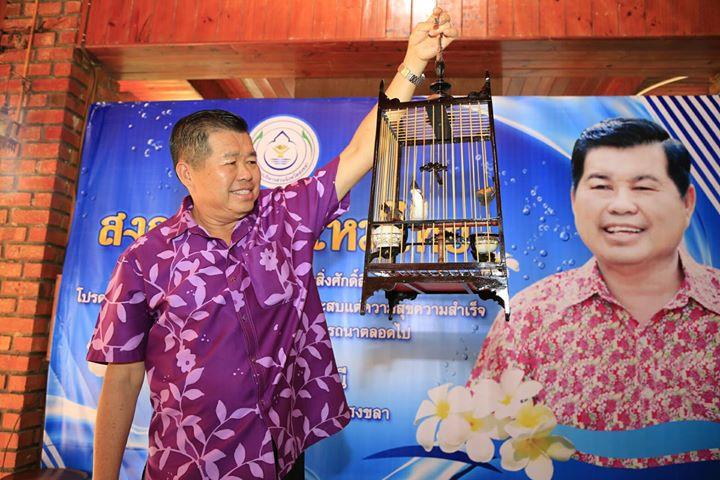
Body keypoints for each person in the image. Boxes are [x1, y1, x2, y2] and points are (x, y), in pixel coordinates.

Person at [86, 10, 457, 480]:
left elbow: (362, 152)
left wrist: (413, 63)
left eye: (252, 160)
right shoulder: (143, 260)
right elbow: (121, 379)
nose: (248, 174)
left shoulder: (284, 218)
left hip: (280, 457)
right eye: (231, 162)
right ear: (187, 172)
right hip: (190, 466)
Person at [468, 118, 720, 468]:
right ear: (574, 200)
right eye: (602, 186)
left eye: (644, 187)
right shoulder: (526, 319)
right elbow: (484, 450)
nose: (621, 205)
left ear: (687, 202)